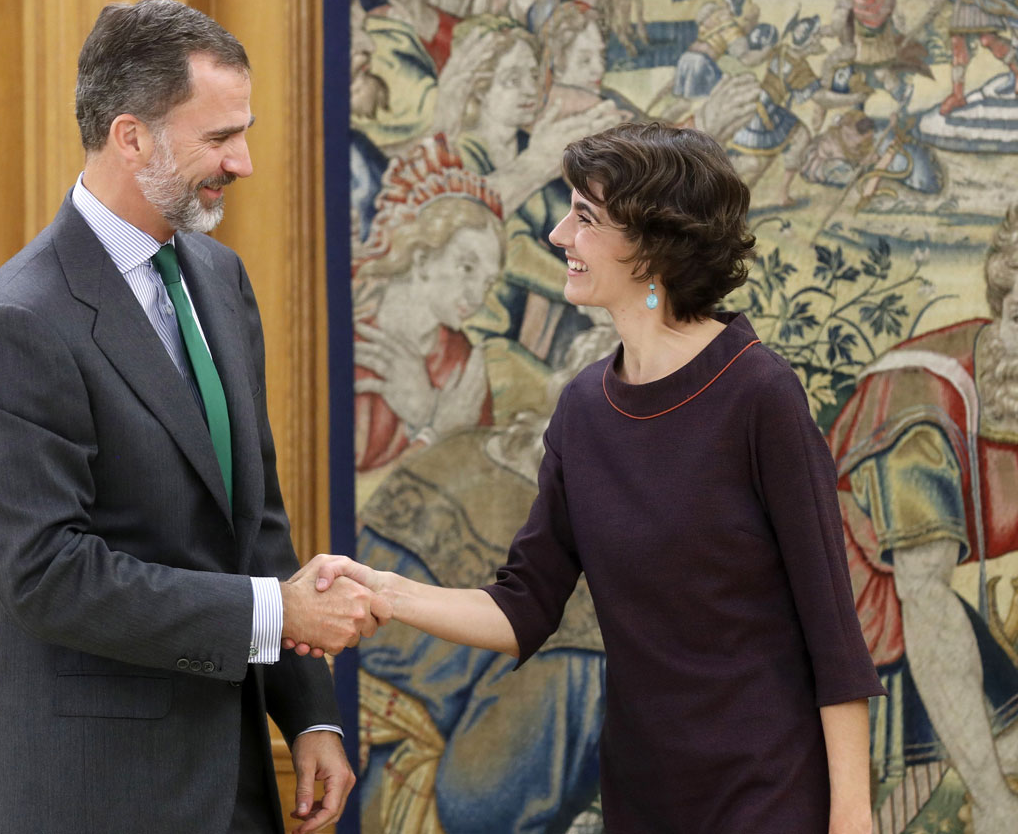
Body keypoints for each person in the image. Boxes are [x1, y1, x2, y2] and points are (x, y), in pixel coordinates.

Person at [294, 123, 886, 832]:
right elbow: (524, 608)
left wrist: (852, 817)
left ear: (650, 243)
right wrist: (385, 590)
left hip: (767, 797)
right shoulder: (582, 408)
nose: (556, 236)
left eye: (584, 217)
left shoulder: (759, 394)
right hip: (642, 798)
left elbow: (835, 635)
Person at [0, 0, 381, 834]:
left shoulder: (221, 279)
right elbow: (47, 576)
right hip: (90, 795)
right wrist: (277, 614)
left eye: (242, 132)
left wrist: (310, 717)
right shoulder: (18, 323)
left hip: (235, 786)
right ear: (130, 136)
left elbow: (252, 526)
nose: (244, 161)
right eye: (219, 139)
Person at [826, 207, 1018, 834]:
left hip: (926, 613)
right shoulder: (921, 396)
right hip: (852, 604)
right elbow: (923, 592)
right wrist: (994, 806)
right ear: (1004, 289)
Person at [353, 135, 505, 473]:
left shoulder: (461, 360)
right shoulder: (357, 343)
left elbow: (477, 490)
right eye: (467, 268)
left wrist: (425, 414)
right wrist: (435, 431)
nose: (476, 296)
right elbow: (340, 503)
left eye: (488, 282)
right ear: (421, 259)